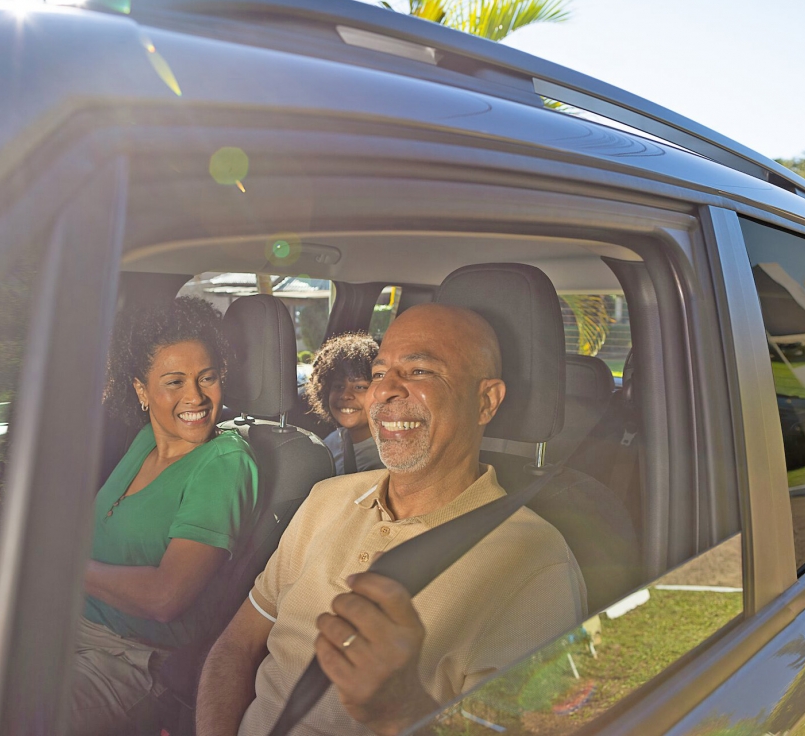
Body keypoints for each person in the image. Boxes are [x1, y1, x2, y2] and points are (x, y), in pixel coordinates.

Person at [196, 303, 587, 736]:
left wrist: (401, 712)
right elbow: (235, 645)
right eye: (380, 373)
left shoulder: (534, 563)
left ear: (486, 400)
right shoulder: (325, 498)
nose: (383, 392)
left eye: (420, 372)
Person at [69, 296, 259, 736]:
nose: (194, 396)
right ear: (141, 390)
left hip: (131, 660)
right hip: (69, 628)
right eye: (174, 381)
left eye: (206, 378)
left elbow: (165, 598)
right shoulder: (144, 444)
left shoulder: (225, 463)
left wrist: (64, 569)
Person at [305, 332, 384, 475]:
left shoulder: (391, 451)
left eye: (360, 387)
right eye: (338, 386)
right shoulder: (329, 445)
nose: (345, 395)